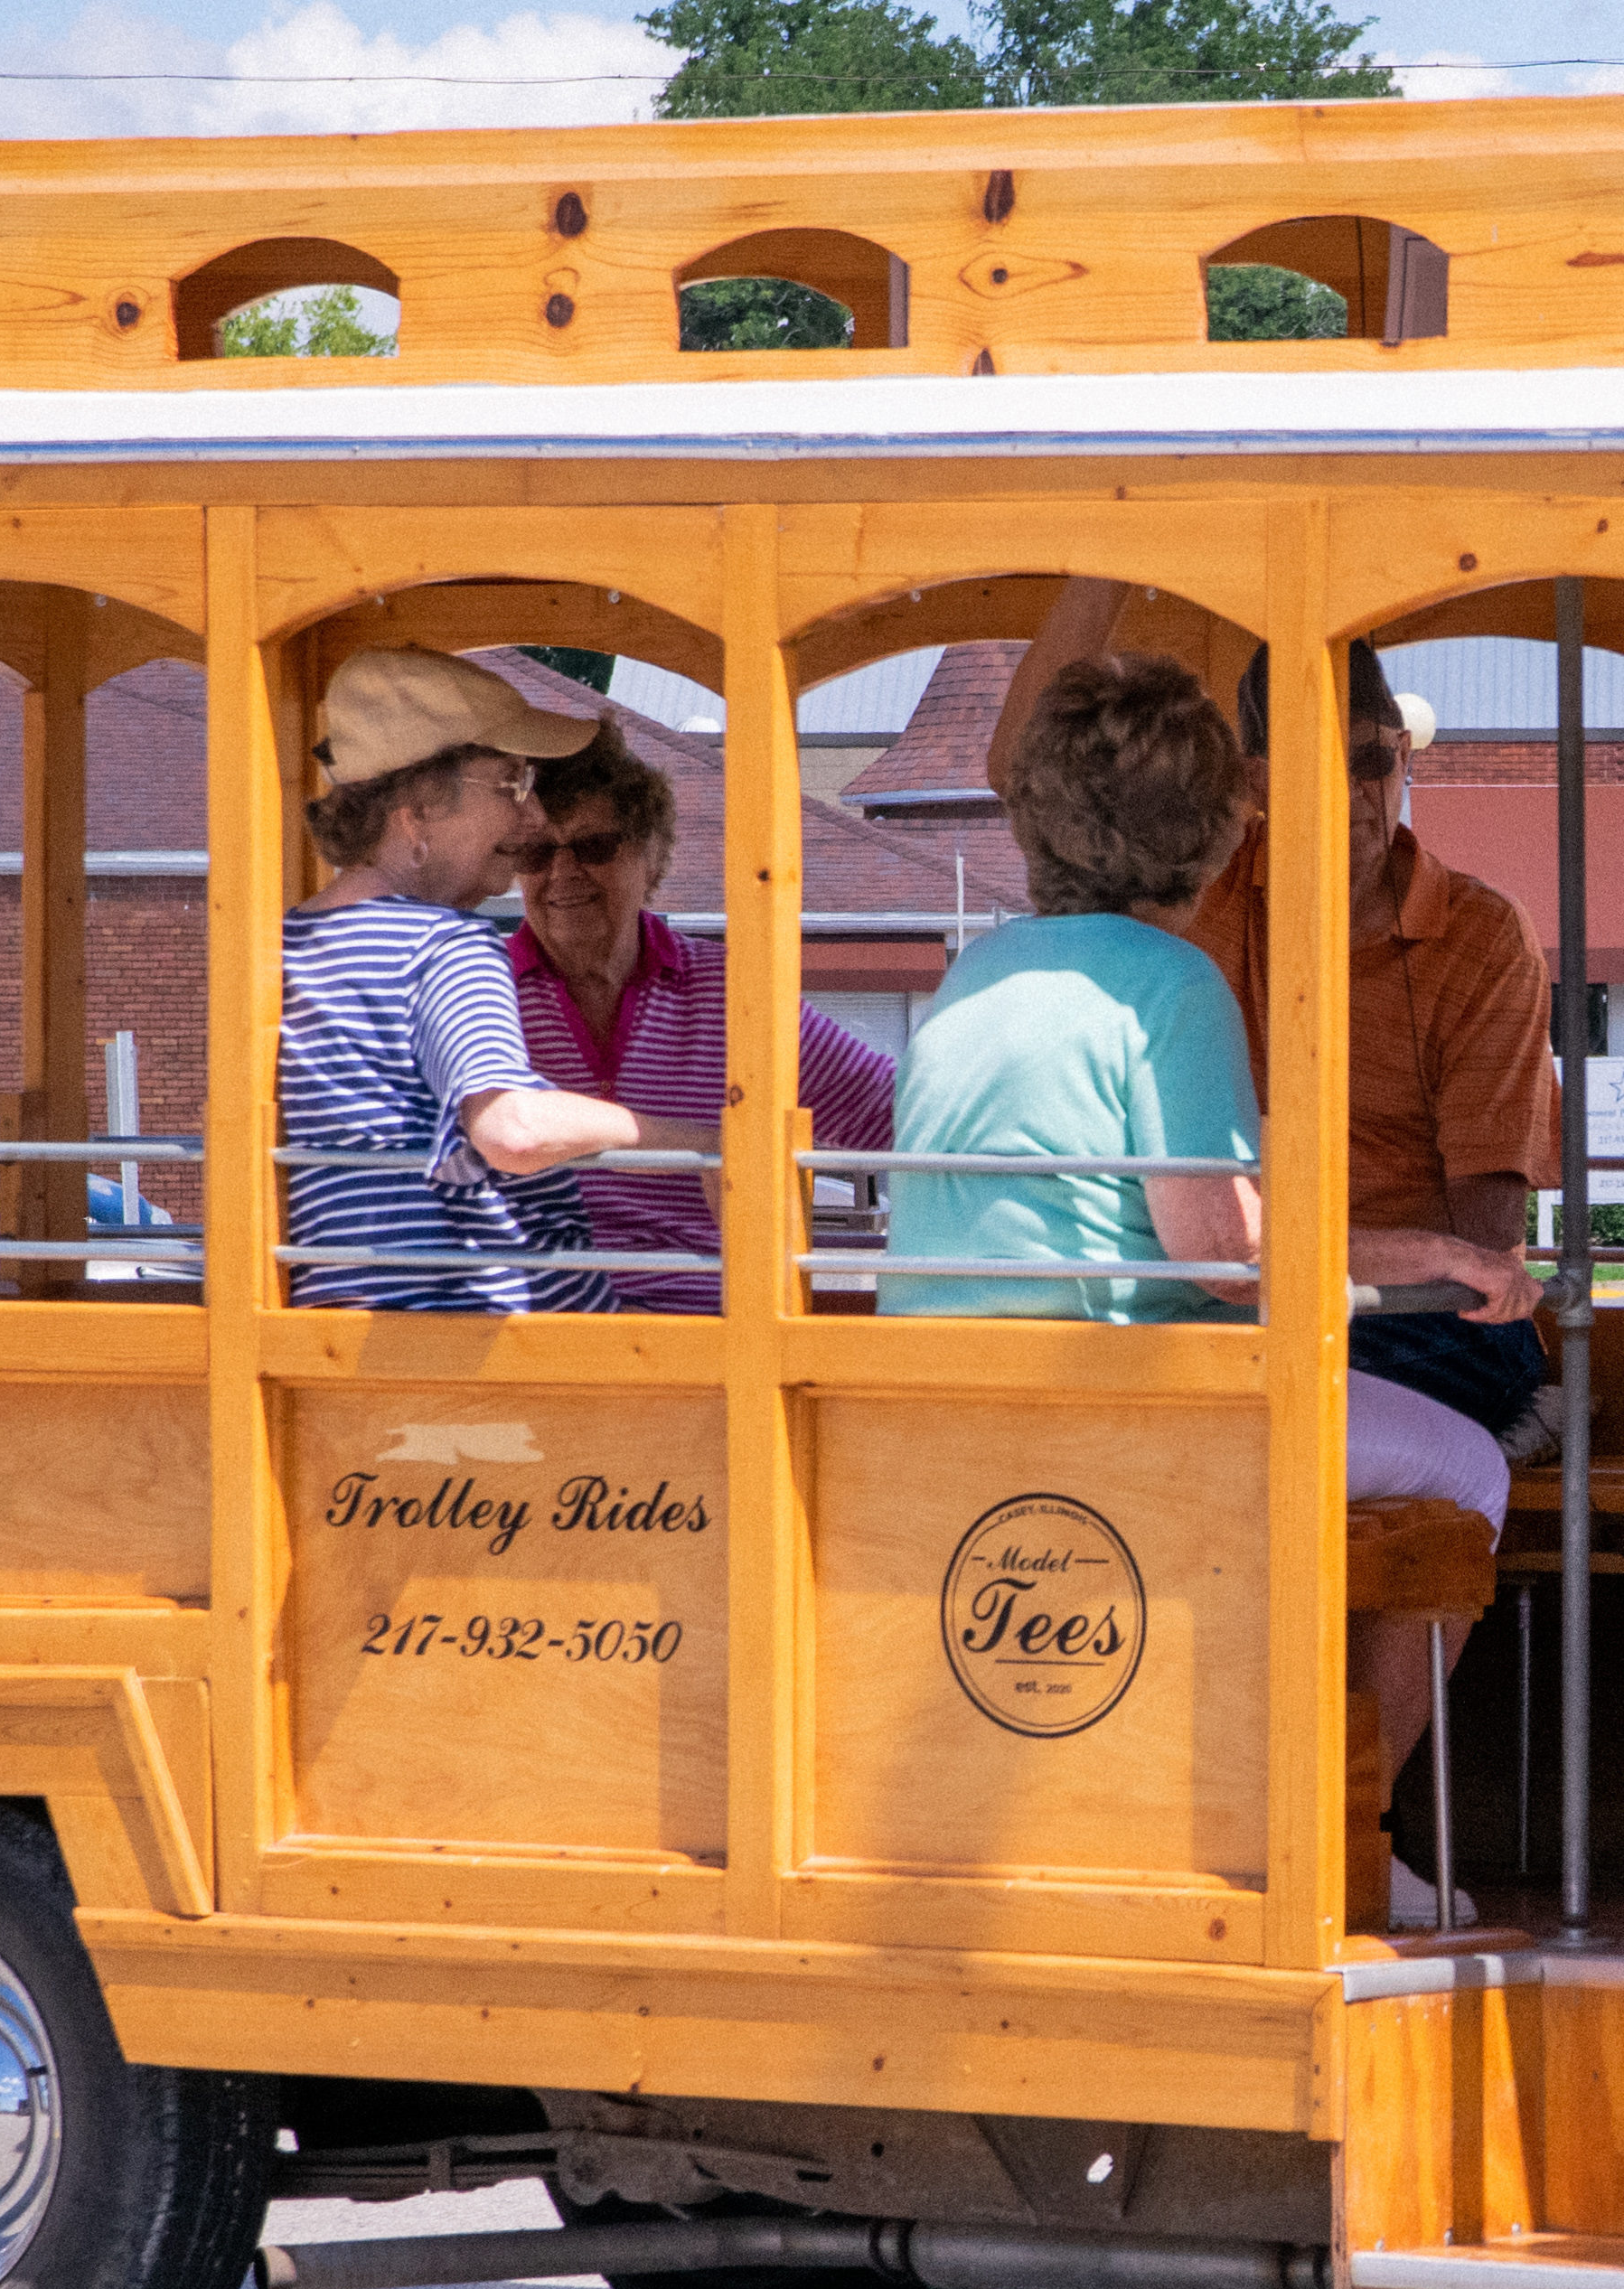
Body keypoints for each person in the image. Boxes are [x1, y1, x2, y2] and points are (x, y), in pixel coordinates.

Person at [899, 649, 1537, 1905]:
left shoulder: (976, 969)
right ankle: (1340, 1836)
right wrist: (1426, 1254)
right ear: (1217, 816)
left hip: (952, 1395)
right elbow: (1227, 1252)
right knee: (1465, 1468)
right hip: (1134, 1391)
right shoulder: (1169, 981)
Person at [993, 585, 1565, 1450]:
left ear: (1406, 760)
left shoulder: (1481, 939)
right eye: (1317, 765)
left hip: (1415, 1312)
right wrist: (1097, 573)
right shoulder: (1199, 891)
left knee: (1253, 1407)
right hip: (1227, 1297)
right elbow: (1025, 781)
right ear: (1257, 783)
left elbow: (1482, 1247)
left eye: (1373, 762)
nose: (1357, 794)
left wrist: (1339, 1270)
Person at [281, 649, 646, 1311]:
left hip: (333, 1333)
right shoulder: (446, 945)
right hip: (489, 1348)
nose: (533, 819)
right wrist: (709, 1143)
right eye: (511, 784)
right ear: (416, 809)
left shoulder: (281, 948)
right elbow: (512, 1131)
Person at [507, 720, 898, 1315]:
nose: (562, 873)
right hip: (533, 1339)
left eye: (594, 847)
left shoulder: (730, 991)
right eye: (536, 853)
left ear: (652, 853)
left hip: (711, 1337)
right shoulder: (480, 992)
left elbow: (888, 1112)